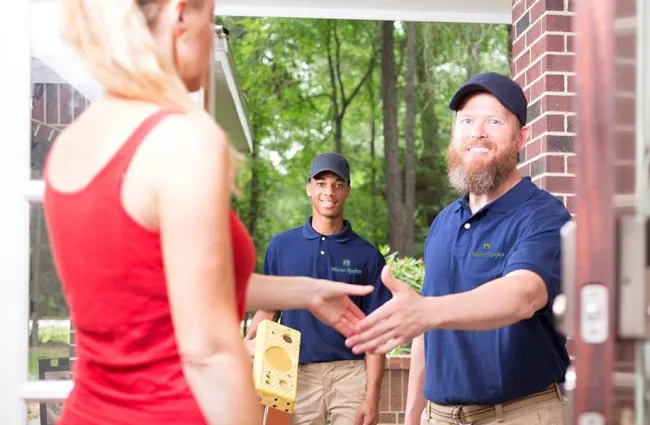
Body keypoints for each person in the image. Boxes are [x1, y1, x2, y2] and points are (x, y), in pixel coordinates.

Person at [44, 2, 375, 425]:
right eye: (210, 16)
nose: (212, 33)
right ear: (182, 14)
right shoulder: (183, 137)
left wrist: (306, 293)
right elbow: (208, 352)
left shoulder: (75, 142)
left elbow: (163, 287)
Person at [345, 72, 571, 425]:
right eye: (466, 121)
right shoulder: (444, 222)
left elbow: (522, 296)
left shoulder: (544, 215)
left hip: (520, 414)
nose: (477, 132)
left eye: (494, 121)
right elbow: (426, 329)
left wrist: (426, 312)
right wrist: (412, 417)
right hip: (439, 417)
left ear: (520, 137)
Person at [244, 153, 392, 425]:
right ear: (309, 187)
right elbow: (269, 311)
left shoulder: (368, 255)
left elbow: (376, 335)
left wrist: (373, 398)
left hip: (351, 374)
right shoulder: (281, 246)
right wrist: (248, 348)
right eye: (321, 183)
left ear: (347, 190)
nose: (329, 191)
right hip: (293, 373)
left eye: (337, 184)